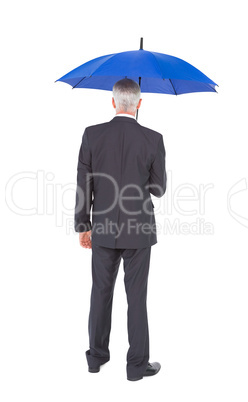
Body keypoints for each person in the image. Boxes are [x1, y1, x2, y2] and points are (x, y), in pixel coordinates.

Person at [74, 78, 167, 381]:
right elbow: (158, 188)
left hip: (102, 227)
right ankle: (137, 368)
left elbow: (82, 185)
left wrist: (82, 226)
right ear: (139, 103)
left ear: (113, 102)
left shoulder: (92, 135)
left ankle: (95, 358)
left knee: (100, 293)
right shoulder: (153, 139)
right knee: (136, 298)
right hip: (138, 229)